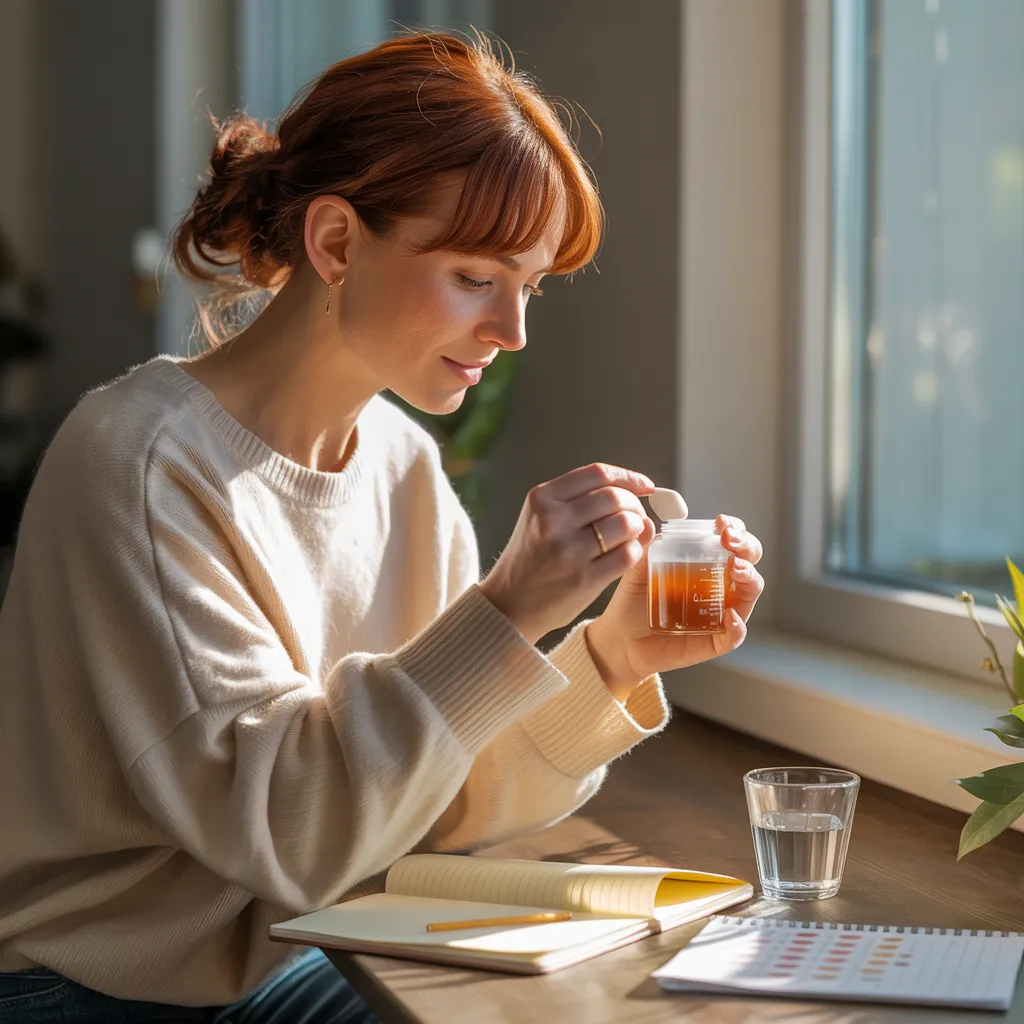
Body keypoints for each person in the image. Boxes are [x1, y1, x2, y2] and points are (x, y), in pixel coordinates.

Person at [0, 30, 764, 1024]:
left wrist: (615, 656)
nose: (511, 330)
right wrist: (504, 608)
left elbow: (426, 797)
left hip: (301, 948)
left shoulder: (402, 468)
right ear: (334, 243)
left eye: (528, 286)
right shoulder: (140, 462)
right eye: (473, 274)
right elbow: (285, 827)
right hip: (97, 990)